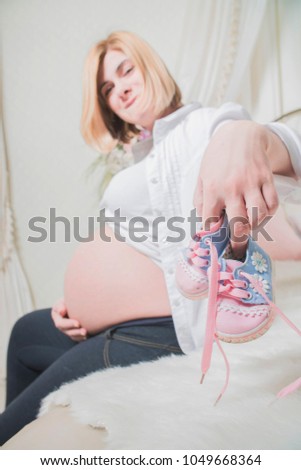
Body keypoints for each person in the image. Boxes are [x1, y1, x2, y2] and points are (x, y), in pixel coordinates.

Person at [1, 30, 301, 446]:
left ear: (151, 68)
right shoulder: (139, 158)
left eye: (127, 71)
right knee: (26, 331)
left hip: (163, 328)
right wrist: (79, 302)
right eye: (108, 88)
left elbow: (277, 150)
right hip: (116, 318)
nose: (120, 89)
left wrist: (252, 138)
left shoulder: (209, 124)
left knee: (7, 431)